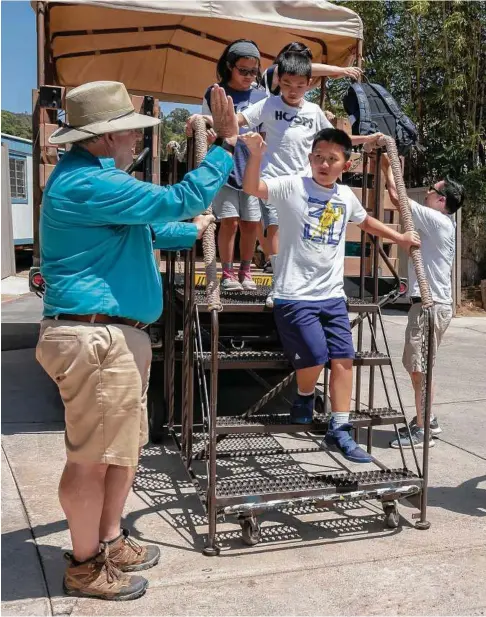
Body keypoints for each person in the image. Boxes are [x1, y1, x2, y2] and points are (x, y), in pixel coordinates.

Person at [35, 80, 239, 601]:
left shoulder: (94, 182)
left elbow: (148, 230)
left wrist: (192, 230)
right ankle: (84, 565)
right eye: (132, 132)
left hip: (108, 337)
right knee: (91, 458)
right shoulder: (88, 184)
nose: (138, 142)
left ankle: (108, 539)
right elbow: (178, 198)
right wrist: (226, 146)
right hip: (96, 338)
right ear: (107, 137)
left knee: (120, 451)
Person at [241, 128, 420, 463]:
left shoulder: (345, 196)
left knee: (343, 360)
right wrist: (255, 155)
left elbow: (367, 222)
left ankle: (340, 428)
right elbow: (253, 188)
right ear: (310, 158)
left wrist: (401, 238)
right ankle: (305, 394)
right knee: (315, 356)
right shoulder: (293, 185)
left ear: (346, 164)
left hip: (332, 295)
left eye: (332, 158)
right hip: (294, 294)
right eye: (318, 156)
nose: (324, 163)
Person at [238, 50, 382, 307]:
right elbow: (239, 120)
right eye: (287, 84)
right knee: (275, 230)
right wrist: (209, 119)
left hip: (304, 186)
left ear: (309, 84)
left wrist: (366, 140)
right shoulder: (269, 104)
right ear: (278, 80)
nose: (293, 90)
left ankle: (307, 286)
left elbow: (337, 139)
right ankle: (279, 285)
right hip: (273, 180)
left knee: (302, 237)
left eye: (300, 85)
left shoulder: (314, 111)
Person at [383, 156, 465, 449]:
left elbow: (397, 198)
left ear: (442, 201)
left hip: (430, 306)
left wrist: (388, 168)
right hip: (430, 306)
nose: (427, 192)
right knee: (418, 365)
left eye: (432, 190)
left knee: (418, 367)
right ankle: (427, 419)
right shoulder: (441, 223)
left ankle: (422, 430)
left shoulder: (437, 220)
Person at [191, 39, 267, 291]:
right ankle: (227, 272)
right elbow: (207, 127)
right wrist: (211, 133)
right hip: (224, 164)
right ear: (229, 67)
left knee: (251, 222)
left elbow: (266, 130)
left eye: (253, 71)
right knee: (229, 220)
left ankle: (246, 271)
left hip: (253, 165)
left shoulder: (262, 95)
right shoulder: (214, 92)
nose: (248, 76)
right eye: (242, 70)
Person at [260, 41, 363, 97]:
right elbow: (335, 72)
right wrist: (342, 70)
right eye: (303, 62)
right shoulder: (274, 71)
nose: (304, 67)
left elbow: (331, 75)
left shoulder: (295, 84)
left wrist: (350, 58)